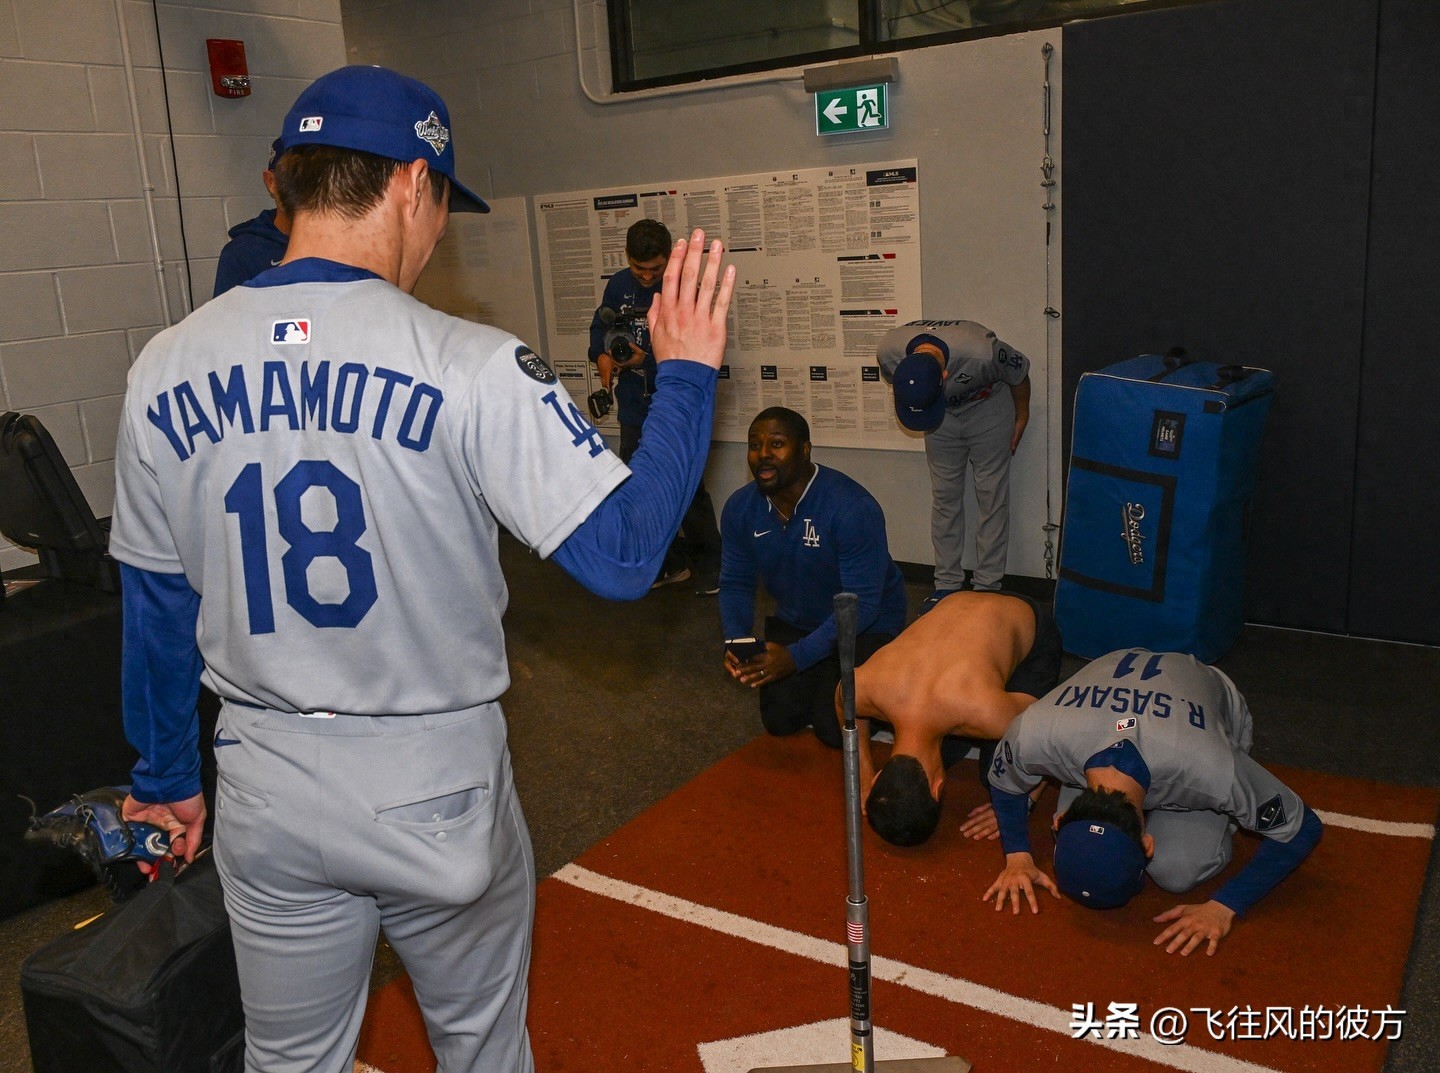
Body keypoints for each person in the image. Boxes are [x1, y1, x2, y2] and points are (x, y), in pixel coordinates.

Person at [110, 64, 734, 1073]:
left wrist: (165, 779)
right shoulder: (466, 361)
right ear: (411, 184)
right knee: (481, 1049)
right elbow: (624, 557)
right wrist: (692, 374)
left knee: (289, 1060)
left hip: (262, 779)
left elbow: (154, 598)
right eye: (442, 199)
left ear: (289, 183)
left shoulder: (163, 365)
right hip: (430, 777)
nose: (440, 226)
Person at [983, 649, 1324, 957]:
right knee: (1096, 849)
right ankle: (1091, 817)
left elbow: (1301, 827)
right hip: (1102, 701)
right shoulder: (1034, 733)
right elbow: (1003, 781)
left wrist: (1225, 906)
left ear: (1148, 844)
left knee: (1176, 870)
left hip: (1199, 714)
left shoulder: (1211, 768)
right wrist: (1017, 855)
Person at [721, 406, 907, 747]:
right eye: (754, 444)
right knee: (780, 722)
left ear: (805, 450)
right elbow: (735, 582)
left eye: (776, 444)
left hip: (866, 624)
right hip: (799, 618)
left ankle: (888, 675)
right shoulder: (739, 508)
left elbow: (862, 604)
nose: (763, 454)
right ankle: (824, 672)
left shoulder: (851, 507)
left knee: (833, 731)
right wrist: (737, 640)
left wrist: (796, 657)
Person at [847, 590, 1062, 847]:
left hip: (1022, 617)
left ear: (939, 788)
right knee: (961, 750)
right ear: (877, 776)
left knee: (996, 777)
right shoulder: (867, 688)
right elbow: (843, 701)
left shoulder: (989, 715)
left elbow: (1052, 732)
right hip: (953, 602)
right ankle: (957, 735)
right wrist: (861, 773)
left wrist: (1021, 802)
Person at [588, 218, 722, 592]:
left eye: (655, 269)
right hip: (634, 407)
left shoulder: (684, 291)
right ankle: (664, 564)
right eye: (638, 268)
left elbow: (698, 353)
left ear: (668, 261)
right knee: (634, 485)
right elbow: (599, 330)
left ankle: (712, 566)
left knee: (688, 486)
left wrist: (644, 360)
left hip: (676, 402)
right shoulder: (617, 285)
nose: (646, 277)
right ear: (627, 259)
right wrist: (601, 355)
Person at [877, 320, 1031, 610]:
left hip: (987, 407)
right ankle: (946, 584)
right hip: (942, 415)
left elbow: (1020, 372)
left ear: (945, 375)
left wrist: (1022, 415)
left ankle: (987, 587)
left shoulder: (982, 351)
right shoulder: (888, 353)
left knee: (991, 495)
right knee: (945, 497)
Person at [213, 137, 290, 297]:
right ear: (271, 182)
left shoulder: (341, 244)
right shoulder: (242, 254)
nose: (304, 189)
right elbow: (230, 320)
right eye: (292, 177)